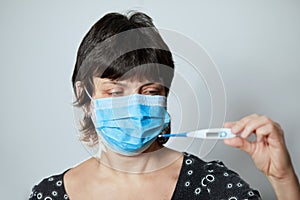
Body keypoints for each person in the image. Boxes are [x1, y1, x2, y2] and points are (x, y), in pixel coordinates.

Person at [29, 12, 300, 200]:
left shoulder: (210, 186)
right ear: (85, 97)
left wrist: (283, 179)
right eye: (115, 92)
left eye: (149, 91)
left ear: (165, 98)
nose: (134, 107)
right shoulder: (50, 194)